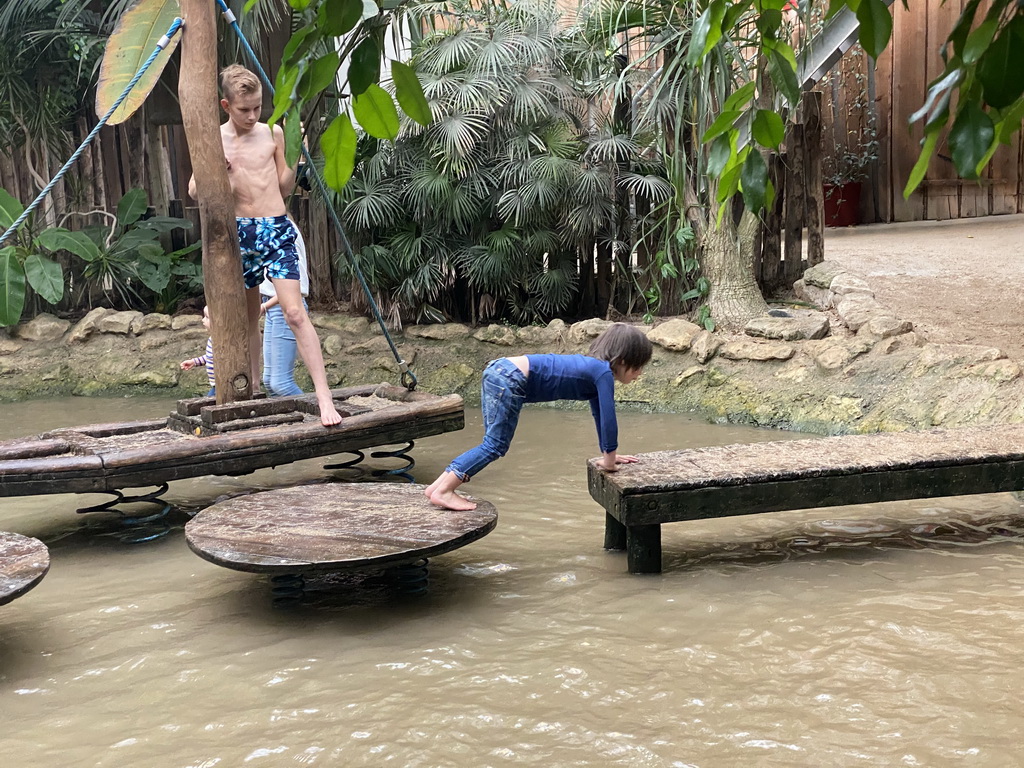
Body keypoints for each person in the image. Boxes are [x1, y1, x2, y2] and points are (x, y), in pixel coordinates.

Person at [187, 64, 342, 426]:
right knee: (248, 317)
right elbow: (195, 191)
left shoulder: (271, 133)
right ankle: (254, 389)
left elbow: (285, 187)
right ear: (226, 105)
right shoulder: (213, 139)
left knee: (294, 313)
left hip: (275, 228)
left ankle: (324, 399)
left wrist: (297, 149)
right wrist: (216, 173)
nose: (252, 115)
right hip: (237, 234)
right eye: (245, 109)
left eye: (257, 107)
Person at [425, 323, 653, 511]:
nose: (639, 374)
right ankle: (445, 490)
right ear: (622, 360)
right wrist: (610, 462)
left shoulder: (594, 372)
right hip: (510, 378)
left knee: (491, 444)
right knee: (494, 446)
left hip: (499, 370)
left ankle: (436, 488)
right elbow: (610, 418)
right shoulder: (602, 371)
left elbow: (600, 415)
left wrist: (609, 454)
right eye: (638, 367)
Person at [260, 222, 308, 397]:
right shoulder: (261, 229)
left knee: (281, 383)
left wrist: (265, 306)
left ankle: (316, 413)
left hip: (286, 308)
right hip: (272, 308)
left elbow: (297, 285)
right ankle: (287, 421)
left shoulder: (283, 229)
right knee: (269, 382)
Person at [180, 305, 216, 397]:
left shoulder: (222, 341)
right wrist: (194, 362)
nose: (203, 320)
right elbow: (210, 357)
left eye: (207, 317)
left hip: (222, 385)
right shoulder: (212, 339)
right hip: (215, 385)